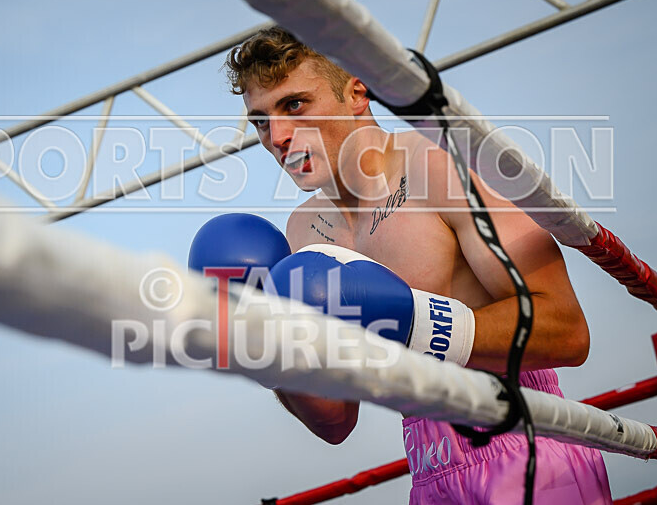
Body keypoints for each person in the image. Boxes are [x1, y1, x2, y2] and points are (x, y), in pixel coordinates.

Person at [222, 27, 612, 504]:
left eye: (295, 105)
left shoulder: (444, 167)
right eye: (261, 121)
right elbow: (336, 421)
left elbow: (567, 330)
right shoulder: (303, 233)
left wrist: (417, 325)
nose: (278, 137)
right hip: (429, 472)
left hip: (524, 447)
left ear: (357, 92)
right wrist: (267, 353)